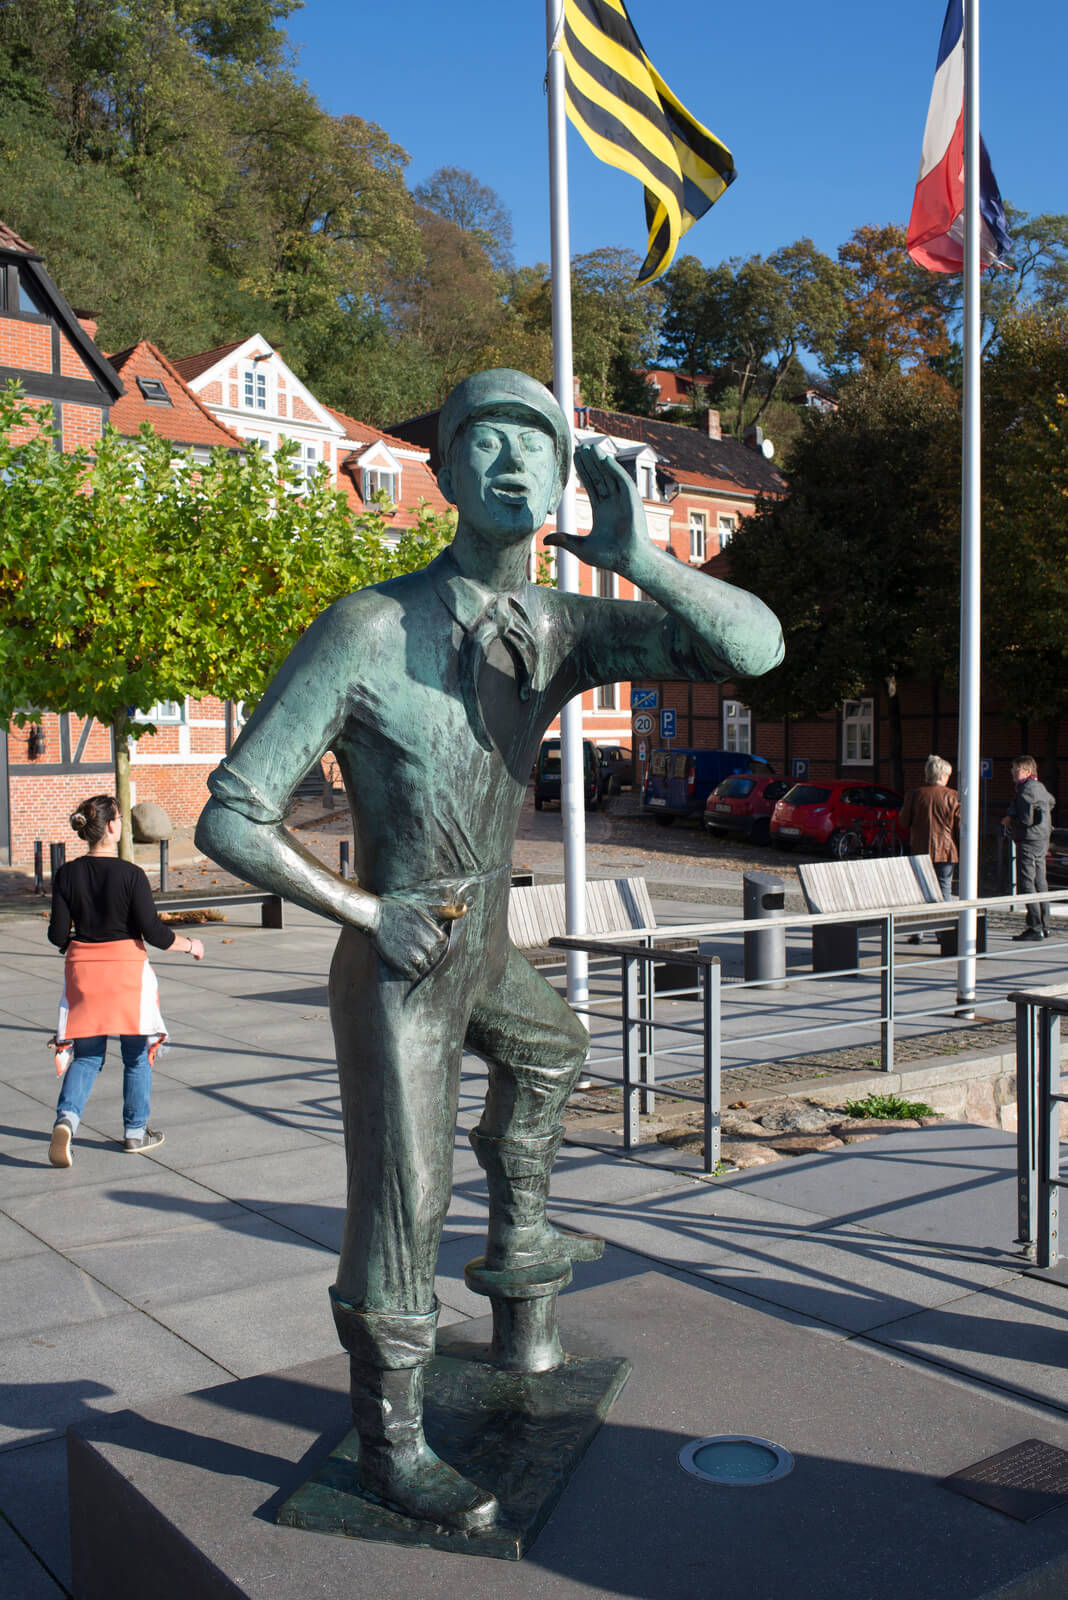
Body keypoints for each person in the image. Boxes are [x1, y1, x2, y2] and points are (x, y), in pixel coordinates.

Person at [196, 368, 784, 1532]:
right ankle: (395, 1444)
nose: (514, 464)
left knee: (554, 1047)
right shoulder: (367, 626)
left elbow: (751, 652)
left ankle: (520, 1258)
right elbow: (232, 813)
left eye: (538, 445)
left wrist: (642, 557)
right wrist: (367, 913)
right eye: (486, 443)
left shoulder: (559, 623)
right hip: (402, 951)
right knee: (404, 1205)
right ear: (446, 472)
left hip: (483, 937)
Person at [47, 795, 204, 1167]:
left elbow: (56, 935)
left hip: (83, 973)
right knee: (136, 1056)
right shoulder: (131, 875)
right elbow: (154, 932)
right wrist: (191, 945)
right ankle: (135, 1132)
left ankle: (66, 1120)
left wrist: (79, 945)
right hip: (127, 974)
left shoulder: (66, 874)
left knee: (86, 1057)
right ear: (113, 826)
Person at [1003, 756, 1056, 940]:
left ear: (1026, 771)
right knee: (1041, 880)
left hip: (1029, 839)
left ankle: (1034, 926)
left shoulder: (1025, 790)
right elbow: (1051, 801)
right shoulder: (1040, 787)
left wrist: (1010, 820)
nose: (1012, 771)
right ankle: (1045, 925)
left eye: (1016, 768)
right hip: (1042, 838)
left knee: (1027, 881)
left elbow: (1026, 820)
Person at [899, 755, 960, 899]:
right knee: (944, 887)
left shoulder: (914, 795)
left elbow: (903, 822)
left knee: (922, 888)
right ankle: (945, 918)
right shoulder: (954, 796)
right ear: (944, 776)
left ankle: (926, 919)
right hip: (946, 850)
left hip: (920, 848)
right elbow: (960, 827)